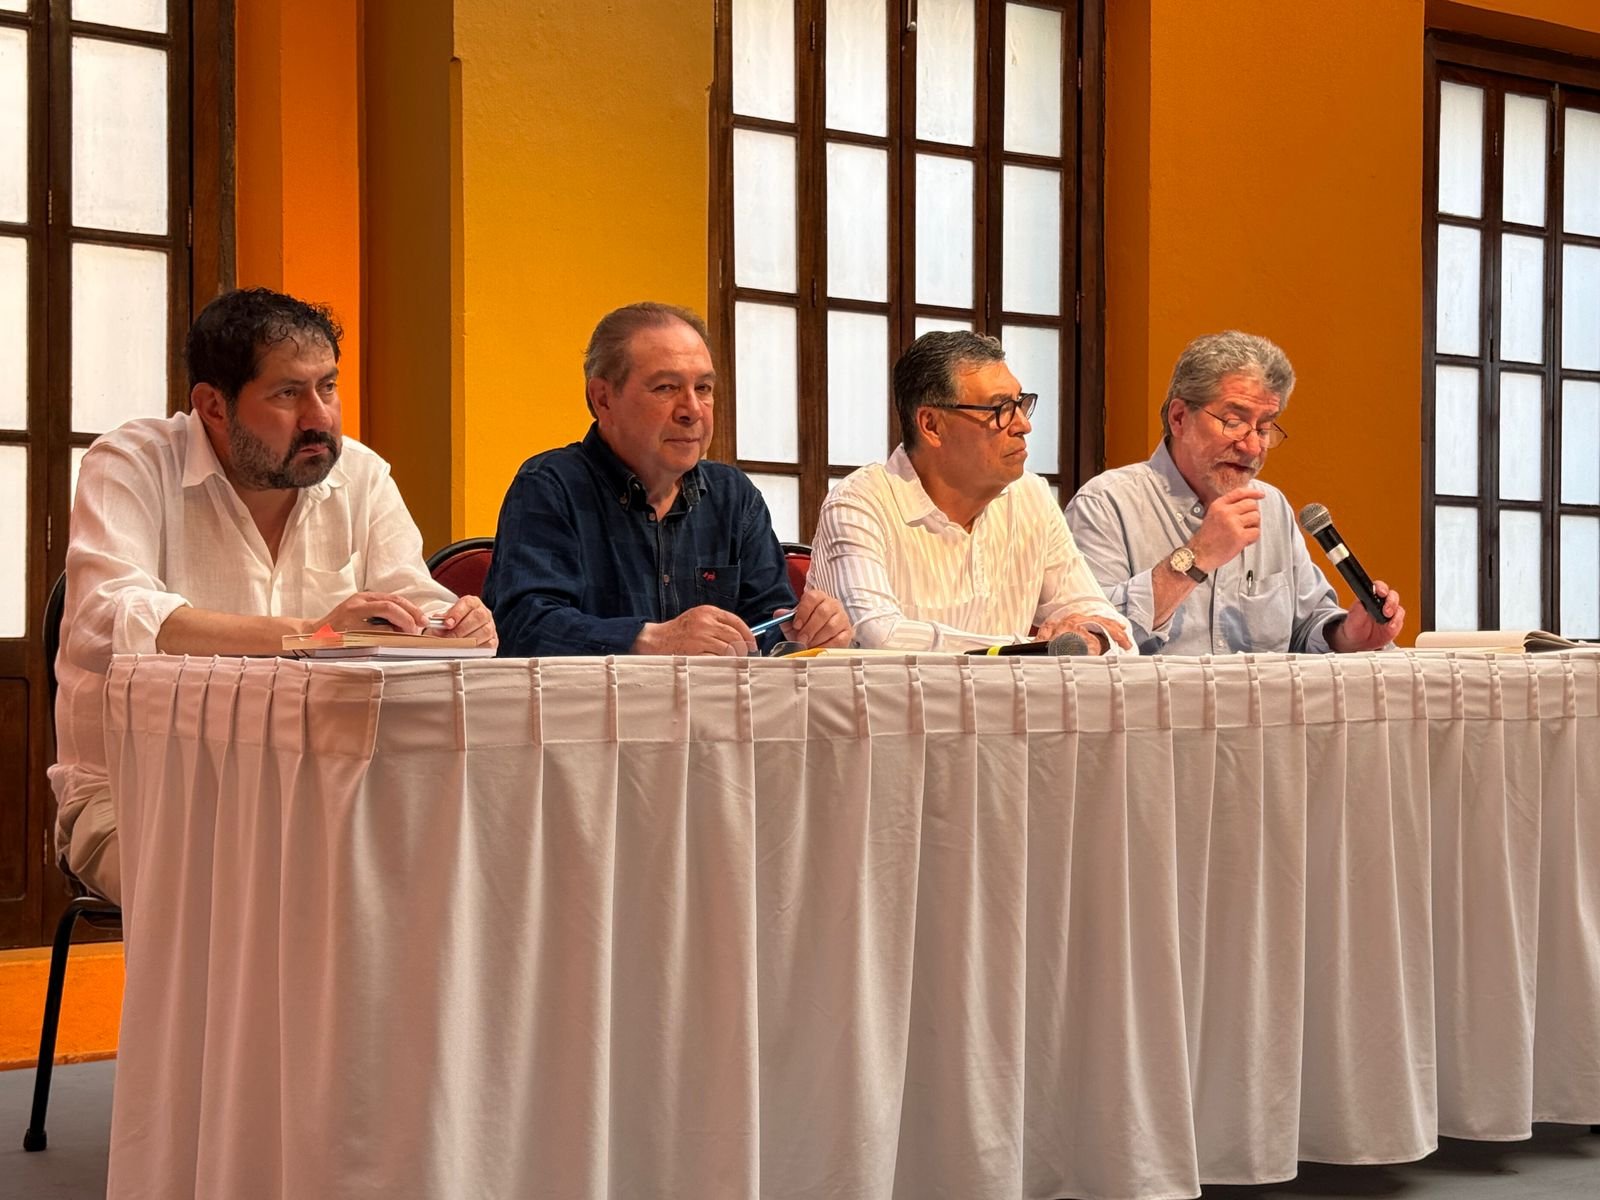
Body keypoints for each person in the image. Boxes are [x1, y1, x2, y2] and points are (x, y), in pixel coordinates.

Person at [51, 287, 495, 903]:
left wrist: (455, 623)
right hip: (137, 791)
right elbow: (104, 620)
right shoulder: (133, 461)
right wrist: (309, 635)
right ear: (212, 405)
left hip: (319, 783)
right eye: (288, 393)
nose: (320, 418)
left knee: (454, 866)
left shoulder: (360, 475)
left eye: (328, 387)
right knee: (259, 884)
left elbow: (413, 599)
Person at [483, 302, 852, 656]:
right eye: (666, 388)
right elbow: (522, 627)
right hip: (592, 717)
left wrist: (808, 632)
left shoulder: (734, 497)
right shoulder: (550, 486)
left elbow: (769, 627)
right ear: (603, 399)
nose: (692, 410)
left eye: (703, 389)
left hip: (714, 716)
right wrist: (648, 638)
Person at [1063, 330, 1404, 655]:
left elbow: (1306, 625)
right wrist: (1196, 557)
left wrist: (1347, 635)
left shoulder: (1271, 508)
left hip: (1263, 713)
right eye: (1234, 422)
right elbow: (1093, 638)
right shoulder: (1106, 504)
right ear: (1179, 417)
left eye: (1265, 427)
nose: (1253, 446)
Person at [808, 330, 1133, 654]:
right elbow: (879, 635)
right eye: (1000, 409)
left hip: (1005, 704)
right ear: (932, 425)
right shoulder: (860, 503)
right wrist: (1030, 648)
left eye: (1021, 404)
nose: (1023, 424)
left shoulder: (1030, 496)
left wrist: (1093, 638)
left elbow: (1119, 636)